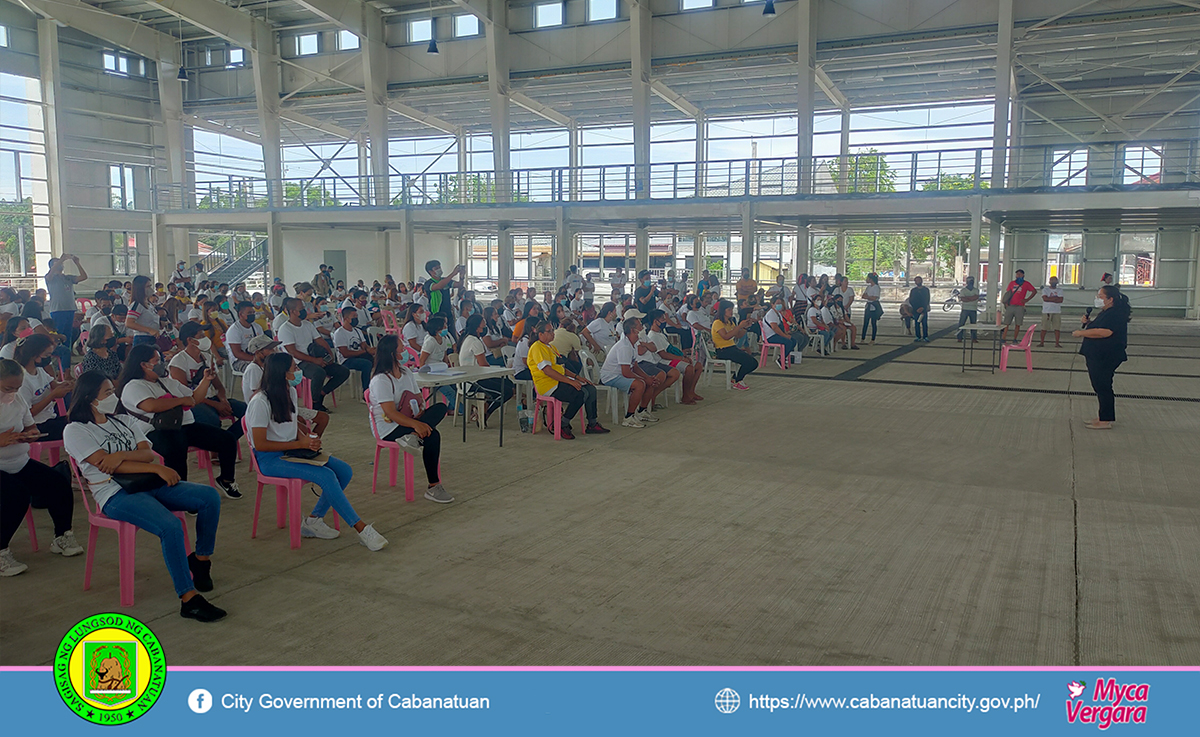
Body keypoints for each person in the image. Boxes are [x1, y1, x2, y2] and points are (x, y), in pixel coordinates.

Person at [64, 370, 226, 620]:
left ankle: (201, 560)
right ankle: (188, 598)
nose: (113, 397)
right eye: (107, 393)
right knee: (170, 526)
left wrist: (122, 456)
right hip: (115, 494)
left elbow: (145, 452)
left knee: (208, 497)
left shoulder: (123, 421)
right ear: (89, 398)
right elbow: (105, 465)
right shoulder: (76, 430)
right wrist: (153, 467)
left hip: (150, 483)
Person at [248, 354, 388, 549]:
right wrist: (300, 445)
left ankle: (314, 520)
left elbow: (289, 424)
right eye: (293, 369)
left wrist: (305, 439)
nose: (298, 372)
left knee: (344, 471)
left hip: (292, 451)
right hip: (270, 459)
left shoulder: (289, 392)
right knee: (326, 475)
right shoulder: (260, 402)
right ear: (282, 373)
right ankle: (362, 529)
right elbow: (260, 444)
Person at [116, 344, 241, 499]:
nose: (161, 364)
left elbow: (195, 398)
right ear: (143, 365)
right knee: (176, 448)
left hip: (183, 425)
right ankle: (181, 494)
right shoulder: (133, 386)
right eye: (156, 361)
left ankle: (226, 480)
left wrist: (206, 380)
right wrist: (181, 400)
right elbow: (150, 405)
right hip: (155, 431)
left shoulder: (167, 382)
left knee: (227, 439)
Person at [0, 358, 83, 577]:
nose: (14, 392)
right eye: (8, 388)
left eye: (17, 387)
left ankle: (62, 535)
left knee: (58, 482)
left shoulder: (16, 400)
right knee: (16, 495)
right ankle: (1, 551)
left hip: (19, 461)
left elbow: (30, 425)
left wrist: (31, 434)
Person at [368, 335, 451, 502]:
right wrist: (416, 424)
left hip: (409, 419)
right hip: (389, 427)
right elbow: (390, 413)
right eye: (402, 348)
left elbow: (418, 397)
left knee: (441, 408)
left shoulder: (406, 372)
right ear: (392, 354)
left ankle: (412, 437)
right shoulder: (380, 380)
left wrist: (419, 411)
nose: (405, 350)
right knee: (432, 435)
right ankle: (433, 486)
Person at [527, 318, 608, 439]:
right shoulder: (537, 347)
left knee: (590, 389)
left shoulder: (550, 347)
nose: (553, 334)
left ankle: (592, 423)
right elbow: (547, 370)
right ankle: (562, 424)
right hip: (548, 384)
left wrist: (578, 377)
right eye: (549, 331)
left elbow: (561, 368)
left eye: (553, 331)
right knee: (580, 393)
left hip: (558, 380)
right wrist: (570, 381)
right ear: (540, 334)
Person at [169, 322, 246, 437]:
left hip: (210, 398)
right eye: (201, 336)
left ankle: (227, 440)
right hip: (192, 403)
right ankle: (220, 445)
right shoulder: (178, 362)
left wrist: (223, 400)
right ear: (190, 340)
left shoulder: (207, 358)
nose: (205, 339)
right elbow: (186, 394)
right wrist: (216, 405)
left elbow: (218, 386)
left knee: (247, 412)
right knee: (212, 420)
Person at [1073, 285, 1131, 430]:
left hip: (1106, 355)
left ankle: (1105, 420)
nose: (1097, 300)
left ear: (1110, 299)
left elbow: (1105, 332)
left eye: (1100, 297)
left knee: (1103, 386)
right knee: (1099, 385)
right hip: (1097, 354)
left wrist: (1081, 333)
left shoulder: (1115, 313)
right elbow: (1098, 327)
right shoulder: (1106, 312)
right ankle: (1103, 415)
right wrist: (1089, 323)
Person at [278, 297, 349, 413]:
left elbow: (320, 340)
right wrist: (314, 361)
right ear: (293, 312)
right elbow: (293, 352)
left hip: (315, 358)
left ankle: (321, 393)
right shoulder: (285, 329)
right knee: (318, 373)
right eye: (301, 309)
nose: (304, 311)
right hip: (298, 363)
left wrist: (330, 355)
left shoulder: (307, 325)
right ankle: (315, 403)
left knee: (343, 371)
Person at [456, 315, 515, 426]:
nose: (485, 324)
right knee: (506, 391)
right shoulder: (474, 342)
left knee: (508, 383)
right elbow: (483, 365)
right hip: (473, 380)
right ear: (478, 327)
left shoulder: (468, 338)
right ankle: (485, 414)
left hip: (474, 376)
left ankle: (484, 407)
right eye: (483, 322)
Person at [14, 334, 72, 441]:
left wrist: (68, 385)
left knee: (82, 418)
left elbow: (54, 385)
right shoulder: (22, 380)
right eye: (46, 356)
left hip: (50, 418)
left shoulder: (39, 370)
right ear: (33, 355)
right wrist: (52, 395)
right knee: (78, 429)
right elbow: (28, 413)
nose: (48, 359)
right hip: (36, 427)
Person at [644, 309, 702, 404]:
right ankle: (686, 396)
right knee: (688, 368)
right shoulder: (653, 335)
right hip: (663, 361)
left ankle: (691, 392)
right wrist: (682, 359)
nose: (665, 321)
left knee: (698, 366)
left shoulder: (660, 333)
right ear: (655, 321)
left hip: (669, 358)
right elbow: (663, 354)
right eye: (662, 319)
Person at [711, 300, 757, 390]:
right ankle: (738, 380)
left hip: (732, 347)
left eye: (732, 309)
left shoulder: (730, 322)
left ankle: (736, 378)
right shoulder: (717, 323)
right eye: (729, 309)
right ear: (723, 310)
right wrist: (739, 327)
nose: (731, 311)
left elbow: (738, 335)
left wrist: (744, 327)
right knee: (747, 362)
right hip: (722, 350)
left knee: (754, 363)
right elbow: (726, 336)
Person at [45, 253, 87, 349]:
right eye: (57, 263)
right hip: (58, 310)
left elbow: (84, 276)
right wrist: (61, 260)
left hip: (70, 309)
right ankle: (58, 358)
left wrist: (77, 263)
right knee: (59, 334)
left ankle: (66, 358)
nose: (61, 264)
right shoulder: (51, 278)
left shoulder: (67, 278)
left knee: (68, 335)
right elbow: (49, 275)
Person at [333, 305, 375, 396]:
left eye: (357, 316)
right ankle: (366, 392)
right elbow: (345, 353)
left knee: (379, 360)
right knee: (366, 364)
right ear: (346, 318)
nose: (356, 319)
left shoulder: (357, 331)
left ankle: (375, 387)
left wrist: (370, 349)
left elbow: (364, 345)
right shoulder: (339, 333)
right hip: (347, 360)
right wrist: (364, 351)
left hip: (359, 355)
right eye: (354, 317)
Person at [424, 260, 465, 340]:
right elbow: (438, 286)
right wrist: (453, 273)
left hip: (448, 313)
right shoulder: (428, 283)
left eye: (439, 267)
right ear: (430, 271)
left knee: (452, 337)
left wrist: (462, 276)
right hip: (436, 314)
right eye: (436, 268)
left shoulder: (446, 281)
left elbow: (459, 285)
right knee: (438, 338)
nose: (439, 269)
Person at [1001, 269, 1038, 343]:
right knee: (1006, 323)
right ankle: (1003, 338)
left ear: (1023, 275)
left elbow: (1034, 291)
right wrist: (1006, 303)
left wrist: (1027, 299)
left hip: (1020, 306)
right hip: (1010, 305)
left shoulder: (1026, 284)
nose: (1018, 276)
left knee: (1018, 324)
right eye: (1017, 274)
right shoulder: (1012, 283)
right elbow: (1008, 293)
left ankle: (1015, 338)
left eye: (1020, 274)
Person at [224, 301, 264, 371]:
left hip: (256, 356)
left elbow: (263, 344)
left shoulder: (257, 327)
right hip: (239, 361)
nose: (252, 315)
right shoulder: (234, 330)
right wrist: (255, 359)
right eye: (249, 313)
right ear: (240, 314)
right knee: (256, 369)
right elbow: (237, 353)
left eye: (253, 313)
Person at [125, 275, 161, 347]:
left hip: (151, 338)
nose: (151, 289)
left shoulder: (148, 303)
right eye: (148, 286)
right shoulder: (137, 304)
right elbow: (129, 323)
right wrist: (149, 330)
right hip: (142, 338)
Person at [762, 295, 796, 367]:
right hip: (770, 336)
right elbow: (775, 328)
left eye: (780, 303)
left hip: (776, 335)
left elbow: (781, 326)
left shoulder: (778, 314)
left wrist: (786, 333)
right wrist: (785, 336)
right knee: (788, 342)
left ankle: (782, 357)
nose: (779, 305)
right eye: (777, 303)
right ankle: (781, 359)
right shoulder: (771, 314)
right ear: (772, 304)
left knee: (793, 341)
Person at [1039, 275, 1064, 348]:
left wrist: (1050, 298)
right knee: (1044, 327)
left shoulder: (1060, 290)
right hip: (1047, 311)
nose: (1053, 282)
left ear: (1057, 282)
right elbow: (1045, 299)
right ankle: (1042, 342)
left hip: (1057, 311)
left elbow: (1061, 300)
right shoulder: (1045, 290)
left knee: (1057, 328)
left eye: (1055, 280)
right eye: (1052, 280)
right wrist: (1055, 298)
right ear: (1049, 282)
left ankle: (1057, 343)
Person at [954, 276, 981, 343]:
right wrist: (971, 298)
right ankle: (959, 337)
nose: (970, 283)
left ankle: (974, 338)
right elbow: (963, 299)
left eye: (972, 281)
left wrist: (967, 298)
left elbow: (975, 297)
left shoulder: (976, 290)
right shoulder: (963, 290)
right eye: (969, 281)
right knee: (961, 324)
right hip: (965, 309)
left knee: (973, 324)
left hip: (973, 309)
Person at [860, 273, 882, 345]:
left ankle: (873, 339)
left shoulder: (876, 287)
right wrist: (869, 297)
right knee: (865, 322)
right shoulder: (868, 287)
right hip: (868, 306)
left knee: (873, 323)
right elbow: (863, 295)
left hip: (874, 307)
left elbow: (875, 298)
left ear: (871, 279)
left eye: (868, 278)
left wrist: (868, 297)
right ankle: (863, 338)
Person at [909, 276, 931, 342]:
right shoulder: (913, 290)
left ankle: (925, 336)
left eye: (919, 280)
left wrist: (923, 307)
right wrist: (916, 308)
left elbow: (927, 299)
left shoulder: (926, 290)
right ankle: (918, 336)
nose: (918, 282)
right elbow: (911, 300)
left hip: (923, 309)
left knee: (924, 323)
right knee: (916, 323)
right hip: (915, 309)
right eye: (916, 281)